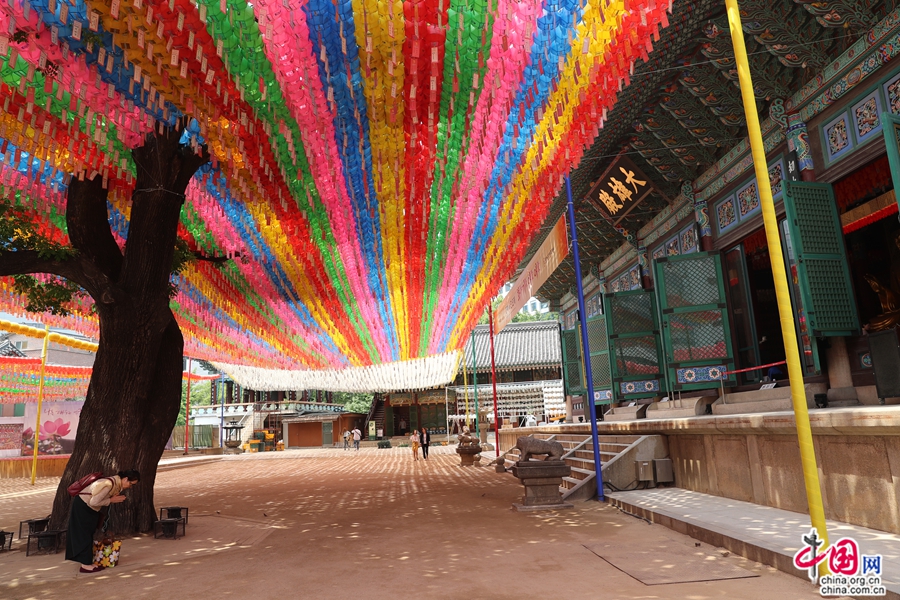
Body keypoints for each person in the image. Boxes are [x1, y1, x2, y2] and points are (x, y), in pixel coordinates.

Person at [66, 469, 140, 573]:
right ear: (126, 479)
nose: (130, 487)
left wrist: (111, 499)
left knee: (87, 534)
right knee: (84, 535)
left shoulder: (113, 483)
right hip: (84, 507)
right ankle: (85, 565)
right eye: (131, 484)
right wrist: (111, 500)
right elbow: (94, 501)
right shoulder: (109, 484)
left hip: (86, 507)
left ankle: (88, 562)